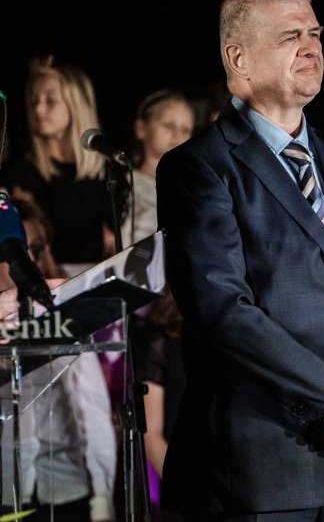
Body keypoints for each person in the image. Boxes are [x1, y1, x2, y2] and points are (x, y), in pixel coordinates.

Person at [156, 0, 324, 522]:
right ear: (239, 58)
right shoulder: (198, 168)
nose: (311, 47)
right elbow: (225, 314)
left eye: (315, 34)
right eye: (291, 36)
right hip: (258, 471)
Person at [0, 198, 116, 522]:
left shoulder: (62, 312)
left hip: (66, 486)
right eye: (17, 251)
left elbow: (91, 407)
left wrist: (102, 498)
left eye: (36, 248)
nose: (30, 259)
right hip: (5, 487)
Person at [3, 57, 116, 266]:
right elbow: (35, 243)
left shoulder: (109, 168)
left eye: (50, 100)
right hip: (53, 276)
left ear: (77, 104)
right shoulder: (22, 172)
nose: (38, 109)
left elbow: (112, 241)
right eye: (33, 102)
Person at [123, 90, 195, 246]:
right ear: (141, 128)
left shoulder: (196, 186)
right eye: (168, 125)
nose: (177, 135)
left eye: (185, 130)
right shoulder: (124, 185)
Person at [131, 284, 185, 480]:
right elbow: (151, 434)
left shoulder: (234, 337)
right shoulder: (160, 339)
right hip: (189, 478)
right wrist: (182, 486)